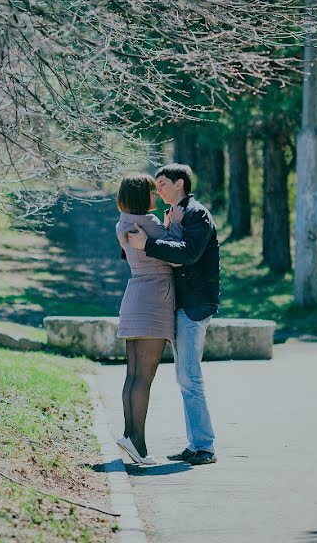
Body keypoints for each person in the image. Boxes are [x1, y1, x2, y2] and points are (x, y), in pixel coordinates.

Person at [126, 163, 220, 466]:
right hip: (180, 304)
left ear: (180, 183)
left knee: (189, 377)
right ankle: (197, 444)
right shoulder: (177, 215)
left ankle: (204, 446)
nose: (158, 189)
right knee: (185, 377)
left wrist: (149, 243)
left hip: (194, 304)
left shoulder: (196, 213)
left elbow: (188, 253)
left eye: (163, 183)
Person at [114, 174, 183, 466]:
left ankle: (130, 435)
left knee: (133, 374)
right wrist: (174, 225)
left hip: (134, 295)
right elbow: (177, 258)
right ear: (143, 196)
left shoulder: (123, 223)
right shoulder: (149, 223)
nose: (156, 197)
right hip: (154, 298)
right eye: (152, 193)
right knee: (145, 376)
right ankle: (138, 445)